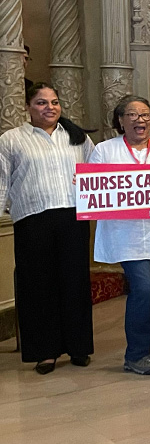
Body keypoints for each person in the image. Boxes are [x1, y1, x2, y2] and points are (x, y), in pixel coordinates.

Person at [0, 83, 95, 374]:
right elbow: (2, 181)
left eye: (54, 102)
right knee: (38, 285)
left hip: (73, 218)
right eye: (41, 103)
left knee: (75, 283)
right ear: (28, 106)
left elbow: (97, 172)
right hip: (32, 220)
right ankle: (45, 351)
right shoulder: (11, 139)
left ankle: (78, 346)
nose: (49, 108)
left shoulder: (78, 137)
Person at [89, 95, 150, 375]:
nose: (140, 120)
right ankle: (136, 354)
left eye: (145, 115)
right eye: (132, 114)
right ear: (120, 120)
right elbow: (94, 191)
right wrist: (85, 186)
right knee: (143, 289)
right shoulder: (105, 151)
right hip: (126, 235)